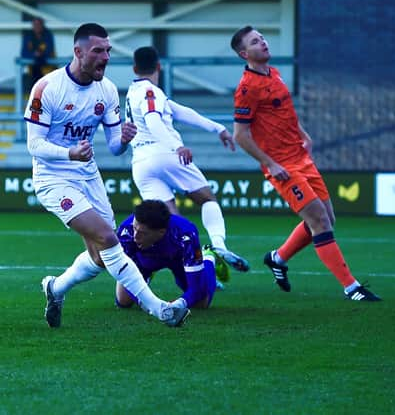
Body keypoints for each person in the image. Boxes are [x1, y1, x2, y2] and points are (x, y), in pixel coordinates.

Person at [24, 23, 189, 328]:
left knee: (101, 258)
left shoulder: (108, 90)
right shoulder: (47, 88)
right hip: (53, 178)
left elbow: (114, 147)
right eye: (98, 50)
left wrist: (124, 138)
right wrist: (69, 153)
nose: (106, 57)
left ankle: (55, 288)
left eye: (109, 50)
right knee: (108, 237)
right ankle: (160, 309)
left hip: (88, 176)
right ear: (78, 52)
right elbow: (34, 144)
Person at [230, 26, 381, 301]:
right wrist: (270, 164)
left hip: (302, 159)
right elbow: (240, 135)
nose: (263, 42)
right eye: (255, 41)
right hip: (283, 167)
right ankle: (351, 287)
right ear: (245, 53)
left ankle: (277, 258)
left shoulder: (274, 73)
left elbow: (284, 112)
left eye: (262, 37)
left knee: (327, 218)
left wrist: (303, 134)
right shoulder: (247, 88)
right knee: (320, 221)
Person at [124, 46, 249, 278]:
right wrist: (176, 146)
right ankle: (218, 245)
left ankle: (190, 271)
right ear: (159, 66)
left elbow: (182, 112)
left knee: (171, 222)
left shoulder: (132, 94)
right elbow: (153, 120)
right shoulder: (151, 92)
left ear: (134, 68)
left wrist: (217, 128)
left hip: (140, 163)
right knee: (206, 199)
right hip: (165, 154)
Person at [115, 200, 218, 311]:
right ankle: (148, 273)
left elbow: (196, 289)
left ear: (161, 232)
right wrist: (153, 306)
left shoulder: (186, 233)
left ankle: (208, 257)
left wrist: (178, 305)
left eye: (143, 233)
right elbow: (124, 275)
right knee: (123, 301)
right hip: (143, 261)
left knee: (201, 303)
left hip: (179, 261)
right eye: (134, 228)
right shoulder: (125, 232)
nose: (135, 236)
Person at [21, 17, 56, 88]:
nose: (37, 27)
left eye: (39, 24)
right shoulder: (28, 36)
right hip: (33, 71)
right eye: (35, 24)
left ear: (42, 25)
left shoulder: (48, 35)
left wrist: (40, 54)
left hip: (48, 70)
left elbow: (50, 50)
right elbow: (24, 53)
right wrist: (34, 54)